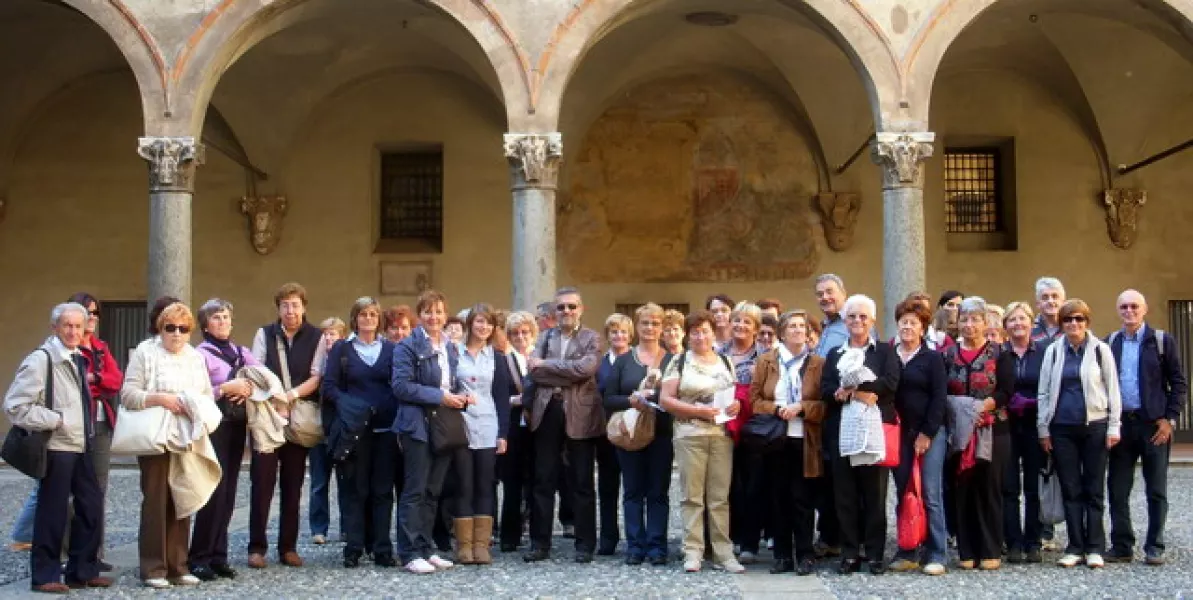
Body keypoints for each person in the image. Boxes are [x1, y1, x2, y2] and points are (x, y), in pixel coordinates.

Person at [4, 303, 111, 593]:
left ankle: (83, 570)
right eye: (68, 326)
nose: (74, 331)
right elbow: (15, 405)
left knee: (91, 507)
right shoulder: (41, 360)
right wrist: (56, 420)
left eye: (78, 326)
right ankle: (45, 575)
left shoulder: (78, 358)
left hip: (81, 444)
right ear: (55, 328)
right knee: (52, 513)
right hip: (57, 445)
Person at [121, 302, 221, 589]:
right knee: (155, 500)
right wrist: (160, 399)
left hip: (185, 435)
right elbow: (128, 394)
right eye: (170, 328)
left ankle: (178, 565)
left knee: (183, 497)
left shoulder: (194, 357)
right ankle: (153, 568)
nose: (176, 334)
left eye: (183, 329)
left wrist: (192, 405)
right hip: (155, 435)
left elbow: (205, 394)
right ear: (160, 328)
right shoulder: (145, 352)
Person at [1038, 298, 1121, 569]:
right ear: (1061, 324)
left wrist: (1114, 426)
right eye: (1068, 319)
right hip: (1061, 428)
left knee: (1094, 489)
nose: (1074, 324)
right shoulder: (1053, 351)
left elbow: (1113, 391)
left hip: (1095, 426)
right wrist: (1043, 429)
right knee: (1071, 489)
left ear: (1087, 322)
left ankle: (1095, 546)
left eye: (1079, 319)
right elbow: (1044, 392)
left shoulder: (1100, 350)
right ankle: (1075, 545)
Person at [248, 283, 327, 569]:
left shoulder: (316, 337)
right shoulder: (264, 334)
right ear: (278, 308)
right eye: (285, 305)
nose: (290, 310)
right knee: (262, 483)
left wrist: (289, 396)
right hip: (267, 417)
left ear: (304, 307)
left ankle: (288, 548)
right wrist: (274, 399)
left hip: (298, 417)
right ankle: (256, 547)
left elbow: (317, 376)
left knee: (293, 487)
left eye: (295, 305)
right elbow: (255, 371)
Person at [820, 294, 900, 576]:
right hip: (842, 429)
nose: (857, 321)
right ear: (844, 320)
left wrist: (858, 390)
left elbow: (890, 384)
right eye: (852, 316)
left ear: (873, 320)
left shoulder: (885, 352)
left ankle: (875, 553)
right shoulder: (835, 354)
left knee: (875, 495)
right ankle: (850, 552)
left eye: (863, 316)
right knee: (845, 496)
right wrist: (842, 393)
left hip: (874, 430)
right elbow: (826, 388)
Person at [523, 287, 604, 564]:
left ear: (581, 309)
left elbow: (586, 370)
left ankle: (585, 544)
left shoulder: (592, 338)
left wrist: (547, 365)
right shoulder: (544, 337)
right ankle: (539, 543)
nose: (566, 312)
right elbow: (534, 371)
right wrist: (561, 370)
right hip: (546, 412)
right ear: (553, 312)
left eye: (571, 307)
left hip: (580, 415)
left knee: (581, 481)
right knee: (543, 479)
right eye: (561, 308)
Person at [659, 310, 744, 574]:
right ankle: (692, 551)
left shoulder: (725, 361)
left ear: (713, 332)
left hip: (721, 437)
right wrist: (697, 411)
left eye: (705, 330)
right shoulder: (679, 362)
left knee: (720, 498)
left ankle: (723, 553)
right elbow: (665, 399)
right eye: (695, 332)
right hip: (690, 435)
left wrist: (736, 405)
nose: (700, 336)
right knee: (692, 497)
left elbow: (735, 394)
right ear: (687, 335)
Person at [1107, 290, 1187, 566]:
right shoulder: (1110, 343)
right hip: (1121, 426)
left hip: (1153, 426)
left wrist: (1169, 419)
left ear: (1145, 309)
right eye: (1124, 306)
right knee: (1117, 488)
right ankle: (1122, 545)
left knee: (1156, 488)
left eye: (1134, 306)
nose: (1129, 311)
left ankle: (1155, 545)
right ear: (1118, 310)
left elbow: (1178, 383)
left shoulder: (1162, 341)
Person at [748, 309, 826, 576]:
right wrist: (779, 408)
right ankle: (782, 555)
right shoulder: (766, 362)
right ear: (781, 332)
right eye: (791, 326)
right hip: (774, 439)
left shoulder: (818, 363)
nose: (797, 330)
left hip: (805, 440)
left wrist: (802, 407)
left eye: (801, 326)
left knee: (802, 499)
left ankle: (805, 554)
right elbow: (754, 400)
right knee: (777, 498)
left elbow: (826, 404)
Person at [322, 297, 399, 568]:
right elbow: (329, 387)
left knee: (382, 490)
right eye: (363, 314)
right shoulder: (341, 350)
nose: (368, 319)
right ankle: (354, 548)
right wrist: (351, 406)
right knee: (355, 489)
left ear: (379, 319)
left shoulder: (390, 349)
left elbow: (398, 383)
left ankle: (381, 548)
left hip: (386, 428)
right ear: (355, 319)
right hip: (354, 430)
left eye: (372, 314)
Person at [392, 289, 463, 574]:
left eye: (438, 312)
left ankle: (425, 548)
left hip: (443, 423)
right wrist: (440, 396)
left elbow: (452, 383)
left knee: (433, 490)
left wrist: (461, 396)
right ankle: (409, 552)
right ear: (419, 315)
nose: (434, 317)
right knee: (415, 489)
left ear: (445, 315)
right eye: (428, 311)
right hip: (416, 424)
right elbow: (401, 386)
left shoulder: (449, 347)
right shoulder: (407, 346)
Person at [188, 299, 258, 581]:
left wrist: (248, 388)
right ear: (205, 324)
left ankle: (219, 554)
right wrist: (224, 388)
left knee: (229, 491)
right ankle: (199, 556)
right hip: (213, 423)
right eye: (216, 318)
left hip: (237, 424)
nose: (222, 322)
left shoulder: (241, 351)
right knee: (213, 490)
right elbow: (195, 391)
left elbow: (263, 377)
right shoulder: (199, 355)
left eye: (226, 317)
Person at [942, 297, 1013, 571]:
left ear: (986, 323)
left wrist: (984, 406)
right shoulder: (947, 355)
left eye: (975, 320)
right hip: (958, 431)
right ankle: (967, 550)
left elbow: (1007, 390)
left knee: (989, 488)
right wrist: (962, 411)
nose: (969, 325)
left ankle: (991, 548)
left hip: (992, 428)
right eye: (964, 320)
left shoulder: (999, 354)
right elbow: (943, 390)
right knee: (962, 488)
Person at [602, 303, 674, 566]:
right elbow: (608, 399)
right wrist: (631, 400)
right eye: (645, 323)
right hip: (630, 432)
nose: (650, 328)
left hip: (662, 433)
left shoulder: (672, 360)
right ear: (637, 326)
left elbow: (679, 395)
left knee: (658, 491)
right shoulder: (623, 361)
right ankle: (635, 546)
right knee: (632, 491)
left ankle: (657, 547)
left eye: (655, 324)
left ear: (662, 328)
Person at [887, 301, 949, 576]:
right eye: (903, 322)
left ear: (923, 328)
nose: (907, 327)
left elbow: (939, 398)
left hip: (929, 433)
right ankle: (908, 548)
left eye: (913, 322)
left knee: (930, 492)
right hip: (899, 433)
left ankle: (936, 551)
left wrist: (927, 433)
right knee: (903, 492)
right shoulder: (890, 356)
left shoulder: (932, 358)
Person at [446, 304, 511, 565]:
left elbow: (502, 398)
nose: (483, 327)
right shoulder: (453, 353)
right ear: (470, 324)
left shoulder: (497, 358)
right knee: (463, 484)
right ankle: (463, 545)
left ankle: (482, 545)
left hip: (487, 424)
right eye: (479, 321)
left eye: (488, 323)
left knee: (485, 484)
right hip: (460, 425)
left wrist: (503, 433)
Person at [68, 292, 122, 571]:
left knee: (98, 488)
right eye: (86, 311)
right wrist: (92, 382)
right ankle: (71, 553)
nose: (91, 318)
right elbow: (73, 384)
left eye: (95, 313)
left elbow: (115, 381)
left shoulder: (101, 347)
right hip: (72, 423)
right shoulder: (67, 346)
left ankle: (95, 553)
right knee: (70, 490)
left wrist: (94, 378)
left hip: (100, 422)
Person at [998, 302, 1047, 564]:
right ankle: (1013, 541)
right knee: (1009, 486)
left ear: (1031, 323)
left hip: (1034, 424)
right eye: (1012, 320)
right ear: (1005, 326)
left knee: (1032, 486)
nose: (1018, 324)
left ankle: (1033, 541)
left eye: (1022, 319)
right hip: (1006, 425)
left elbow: (1050, 388)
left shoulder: (1044, 353)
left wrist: (1034, 402)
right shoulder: (1000, 354)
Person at [720, 302, 764, 563]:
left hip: (754, 429)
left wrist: (744, 400)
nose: (740, 325)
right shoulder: (717, 353)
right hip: (722, 427)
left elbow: (769, 392)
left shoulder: (765, 357)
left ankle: (750, 542)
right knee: (727, 486)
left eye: (747, 321)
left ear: (756, 329)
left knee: (753, 486)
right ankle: (729, 537)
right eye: (736, 320)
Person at [812, 274, 849, 558]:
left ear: (843, 293)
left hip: (846, 410)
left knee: (844, 478)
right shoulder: (827, 327)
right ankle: (831, 537)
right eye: (820, 293)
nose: (825, 297)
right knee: (828, 479)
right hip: (826, 412)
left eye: (830, 292)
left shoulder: (851, 323)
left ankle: (846, 539)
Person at [497, 311, 538, 552]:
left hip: (538, 426)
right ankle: (509, 536)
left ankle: (536, 534)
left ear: (532, 333)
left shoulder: (540, 357)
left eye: (525, 332)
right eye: (515, 333)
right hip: (513, 425)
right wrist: (517, 400)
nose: (520, 337)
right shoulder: (503, 360)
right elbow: (499, 396)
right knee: (511, 482)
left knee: (537, 481)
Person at [309, 317, 349, 545]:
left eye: (333, 333)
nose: (329, 338)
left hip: (340, 428)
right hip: (318, 428)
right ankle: (319, 528)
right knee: (319, 482)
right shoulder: (315, 364)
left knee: (345, 482)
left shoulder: (348, 360)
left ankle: (346, 527)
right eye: (325, 334)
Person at [595, 313, 632, 555]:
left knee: (632, 488)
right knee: (607, 487)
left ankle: (634, 538)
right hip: (605, 430)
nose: (618, 336)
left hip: (632, 431)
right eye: (614, 331)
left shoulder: (636, 361)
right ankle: (608, 537)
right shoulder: (599, 363)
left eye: (623, 332)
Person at [1032, 277, 1066, 342]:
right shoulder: (1028, 328)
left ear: (1063, 302)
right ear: (1038, 304)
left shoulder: (1072, 326)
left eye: (1055, 296)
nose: (1050, 301)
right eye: (1045, 298)